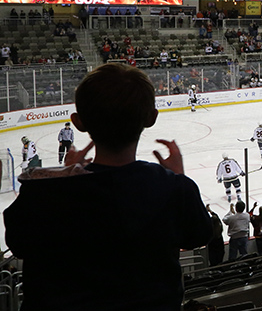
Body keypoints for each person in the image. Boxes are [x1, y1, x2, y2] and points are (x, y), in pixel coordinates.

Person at [4, 62, 212, 310]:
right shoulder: (174, 188)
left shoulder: (42, 191)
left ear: (78, 122)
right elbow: (198, 235)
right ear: (151, 117)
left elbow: (18, 243)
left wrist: (61, 175)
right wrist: (179, 177)